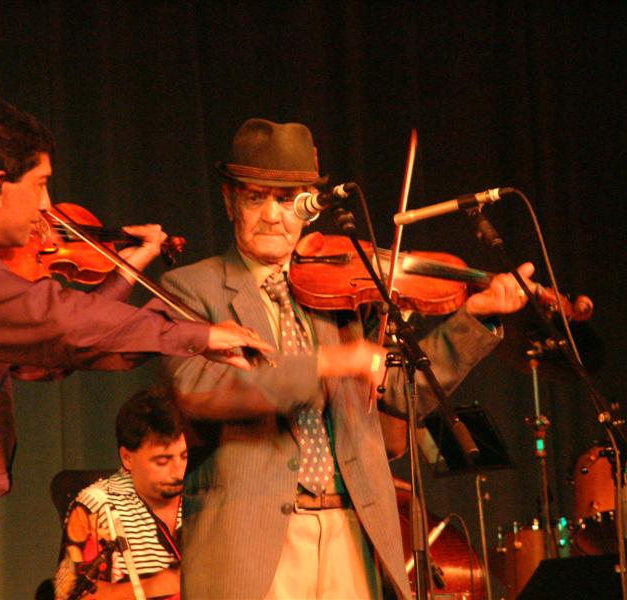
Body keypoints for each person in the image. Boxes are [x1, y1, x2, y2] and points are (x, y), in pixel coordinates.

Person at [0, 99, 270, 600]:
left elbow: (46, 353)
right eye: (40, 184)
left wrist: (130, 279)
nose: (46, 206)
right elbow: (52, 319)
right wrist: (196, 334)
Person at [160, 118, 536, 599]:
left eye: (288, 199)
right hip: (250, 538)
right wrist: (326, 365)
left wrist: (475, 318)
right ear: (230, 200)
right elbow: (202, 390)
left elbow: (403, 390)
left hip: (351, 526)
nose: (273, 216)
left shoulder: (345, 290)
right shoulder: (191, 288)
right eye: (256, 198)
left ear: (310, 207)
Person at [54, 387, 186, 600]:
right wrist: (153, 587)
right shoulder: (98, 505)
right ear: (127, 458)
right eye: (163, 460)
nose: (178, 471)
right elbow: (69, 595)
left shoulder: (202, 497)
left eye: (184, 456)